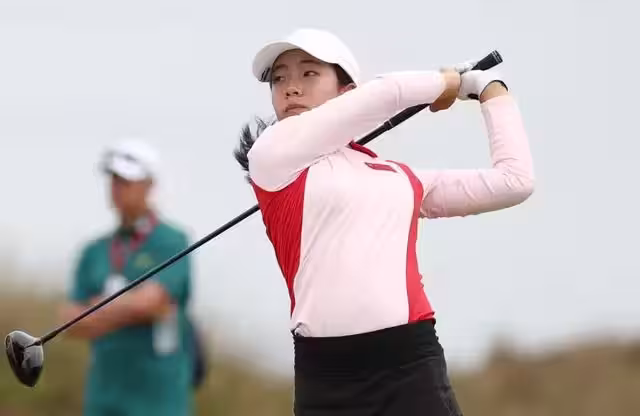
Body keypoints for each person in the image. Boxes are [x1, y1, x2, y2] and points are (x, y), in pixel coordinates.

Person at [234, 28, 535, 415]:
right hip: (326, 377)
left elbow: (514, 182)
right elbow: (386, 93)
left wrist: (491, 90)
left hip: (410, 366)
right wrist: (452, 82)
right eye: (279, 78)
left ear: (346, 91)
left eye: (309, 73)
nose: (291, 87)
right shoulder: (271, 156)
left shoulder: (399, 177)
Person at [58, 138, 196, 416]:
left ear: (149, 185)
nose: (117, 189)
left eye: (126, 181)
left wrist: (95, 311)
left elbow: (153, 302)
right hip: (104, 399)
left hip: (159, 401)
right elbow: (69, 320)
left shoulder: (172, 240)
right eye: (114, 180)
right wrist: (130, 308)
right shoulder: (94, 251)